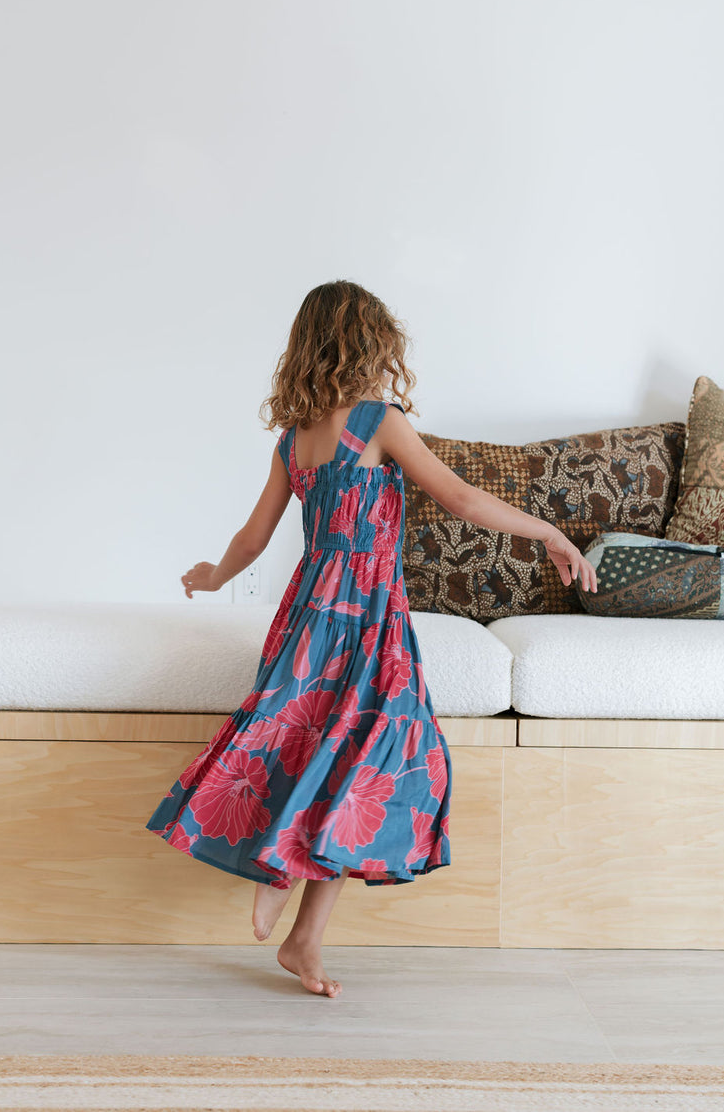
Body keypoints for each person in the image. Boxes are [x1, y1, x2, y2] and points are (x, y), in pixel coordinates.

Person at [145, 279, 598, 999]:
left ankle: (303, 937)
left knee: (336, 750)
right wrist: (546, 529)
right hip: (363, 619)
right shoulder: (377, 420)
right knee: (369, 755)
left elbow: (253, 537)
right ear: (367, 345)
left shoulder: (294, 441)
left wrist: (215, 571)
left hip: (310, 614)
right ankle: (281, 869)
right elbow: (459, 497)